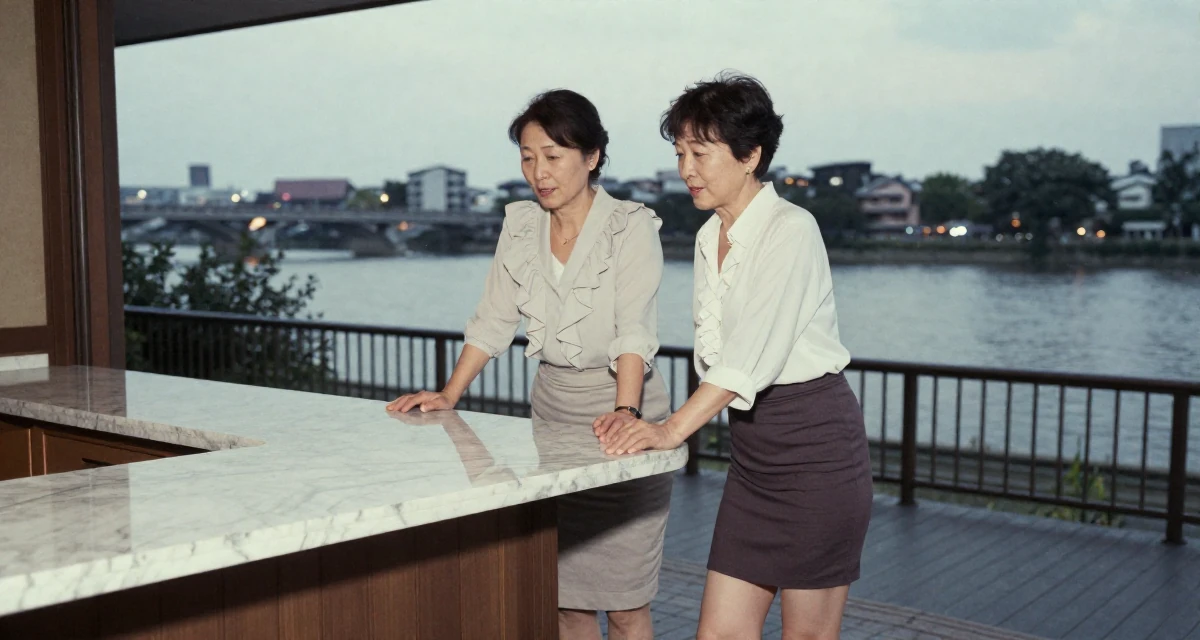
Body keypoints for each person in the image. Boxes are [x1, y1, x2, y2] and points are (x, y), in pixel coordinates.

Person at [594, 72, 873, 639]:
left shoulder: (792, 230)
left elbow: (746, 360)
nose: (686, 169)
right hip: (752, 460)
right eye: (680, 153)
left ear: (750, 156)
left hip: (816, 455)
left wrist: (671, 429)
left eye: (700, 153)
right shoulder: (707, 237)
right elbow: (717, 356)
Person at [387, 89, 673, 640]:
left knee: (626, 603)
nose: (538, 172)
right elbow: (493, 319)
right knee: (566, 600)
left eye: (553, 156)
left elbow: (633, 330)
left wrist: (626, 412)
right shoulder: (520, 225)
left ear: (592, 157)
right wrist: (450, 394)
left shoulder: (630, 225)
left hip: (625, 416)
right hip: (553, 416)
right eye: (527, 157)